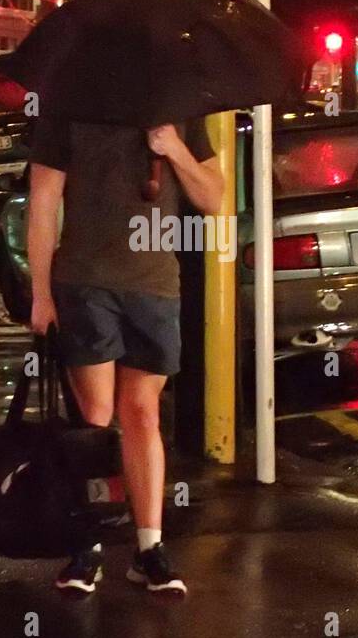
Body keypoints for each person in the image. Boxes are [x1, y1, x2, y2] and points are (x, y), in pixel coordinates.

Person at [28, 118, 224, 596]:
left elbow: (215, 198)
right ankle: (87, 547)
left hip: (154, 287)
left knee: (142, 412)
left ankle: (149, 549)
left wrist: (175, 149)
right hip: (85, 281)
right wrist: (40, 292)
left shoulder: (178, 114)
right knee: (95, 417)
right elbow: (43, 203)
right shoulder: (70, 109)